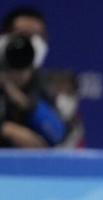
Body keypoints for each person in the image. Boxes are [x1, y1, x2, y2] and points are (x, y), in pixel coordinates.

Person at [0, 5, 67, 148]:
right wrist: (8, 130)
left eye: (37, 35)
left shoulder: (46, 83)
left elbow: (57, 135)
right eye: (22, 34)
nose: (29, 42)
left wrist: (24, 102)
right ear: (4, 37)